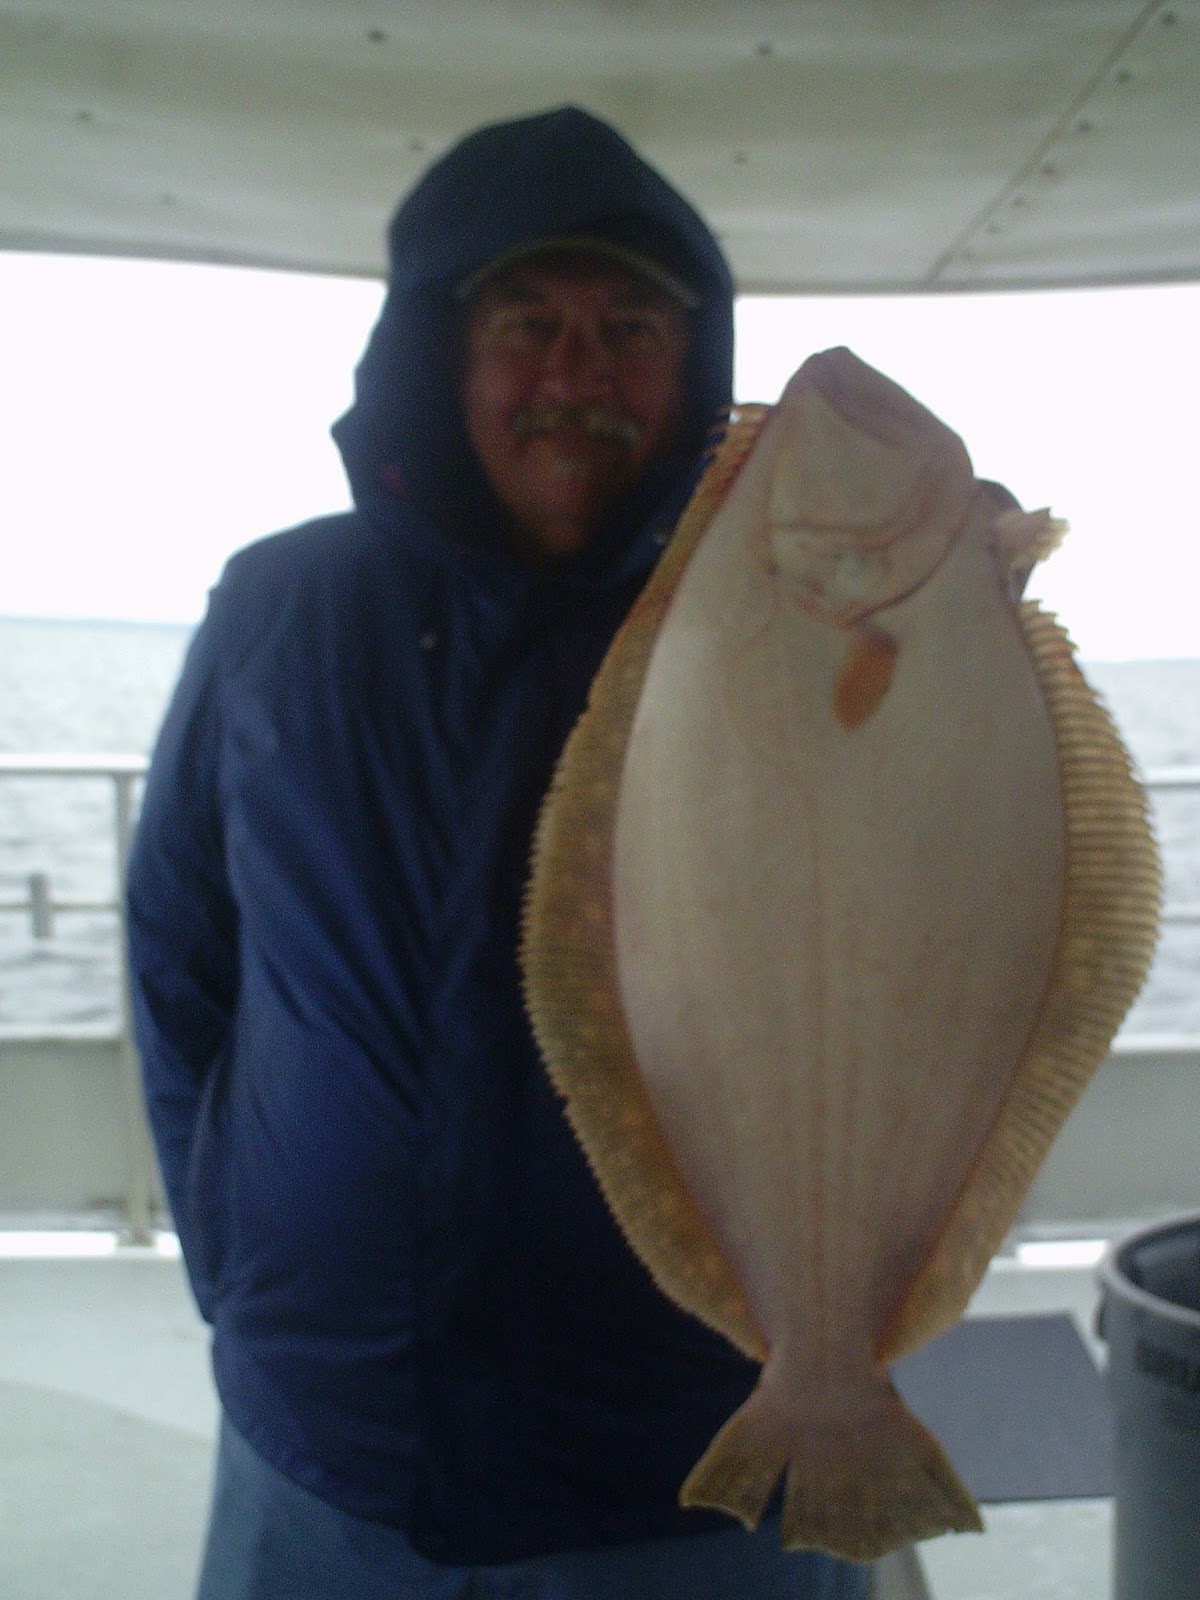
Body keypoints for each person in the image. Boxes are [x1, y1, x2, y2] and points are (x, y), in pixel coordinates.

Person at [126, 106, 871, 1599]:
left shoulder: (800, 633)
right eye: (527, 323)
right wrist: (244, 1277)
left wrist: (952, 623)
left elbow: (916, 964)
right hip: (327, 1446)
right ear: (439, 355)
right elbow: (181, 960)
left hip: (696, 1465)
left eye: (630, 330)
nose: (575, 376)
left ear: (697, 366)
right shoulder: (279, 607)